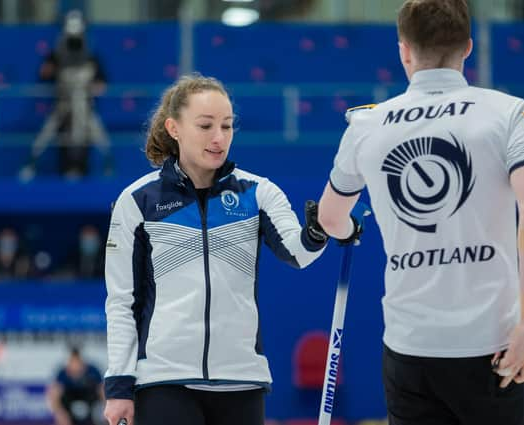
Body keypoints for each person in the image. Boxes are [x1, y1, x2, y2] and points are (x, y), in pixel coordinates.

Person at [317, 1, 524, 424]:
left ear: (404, 50)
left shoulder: (367, 126)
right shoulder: (509, 112)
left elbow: (330, 220)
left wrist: (350, 226)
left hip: (412, 348)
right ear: (468, 47)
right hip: (494, 346)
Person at [102, 74, 364, 425]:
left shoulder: (258, 192)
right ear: (174, 128)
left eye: (226, 126)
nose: (218, 137)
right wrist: (119, 387)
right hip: (165, 382)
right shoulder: (138, 201)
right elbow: (122, 302)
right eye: (205, 125)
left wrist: (318, 230)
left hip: (241, 380)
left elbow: (299, 253)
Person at [20, 9, 111, 180]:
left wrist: (96, 86)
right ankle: (30, 165)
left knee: (97, 135)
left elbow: (102, 82)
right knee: (46, 134)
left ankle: (106, 166)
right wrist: (52, 65)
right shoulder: (57, 54)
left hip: (85, 105)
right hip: (63, 103)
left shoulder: (91, 56)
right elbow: (44, 74)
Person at [46, 347, 104, 425]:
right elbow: (53, 396)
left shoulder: (93, 371)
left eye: (77, 362)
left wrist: (105, 410)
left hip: (91, 406)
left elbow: (102, 391)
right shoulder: (62, 374)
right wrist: (60, 414)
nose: (75, 365)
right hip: (68, 407)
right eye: (72, 362)